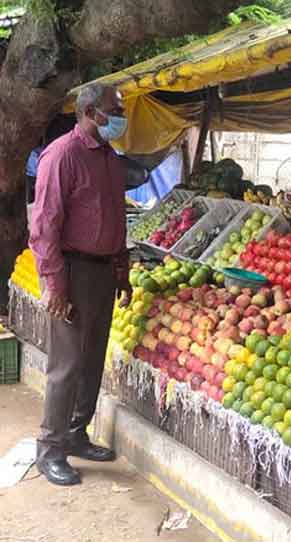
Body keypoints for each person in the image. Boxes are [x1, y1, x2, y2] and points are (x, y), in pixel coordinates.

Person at [29, 83, 132, 486]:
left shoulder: (109, 157)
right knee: (67, 365)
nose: (120, 116)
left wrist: (121, 271)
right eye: (113, 110)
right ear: (90, 111)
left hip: (103, 271)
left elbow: (116, 220)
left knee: (92, 360)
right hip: (72, 272)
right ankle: (49, 449)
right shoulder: (62, 155)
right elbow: (43, 227)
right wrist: (53, 284)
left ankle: (76, 434)